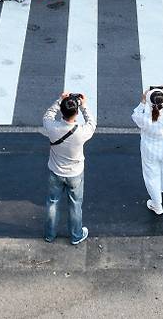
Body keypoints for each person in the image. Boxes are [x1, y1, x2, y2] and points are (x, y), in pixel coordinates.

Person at [43, 92, 96, 245]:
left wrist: (59, 99)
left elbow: (48, 115)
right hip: (75, 174)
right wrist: (84, 105)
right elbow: (92, 123)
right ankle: (76, 235)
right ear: (77, 112)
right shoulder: (81, 132)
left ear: (62, 110)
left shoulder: (52, 127)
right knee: (75, 204)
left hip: (55, 171)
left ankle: (49, 234)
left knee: (53, 202)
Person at [132, 87, 163, 215]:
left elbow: (135, 115)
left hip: (149, 150)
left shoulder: (145, 118)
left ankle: (157, 205)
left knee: (152, 177)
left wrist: (143, 101)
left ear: (149, 102)